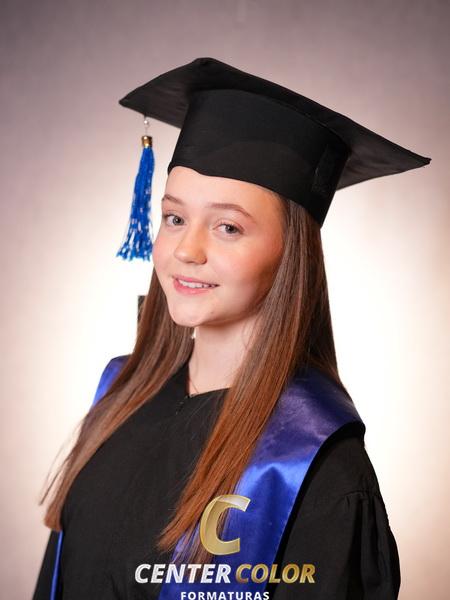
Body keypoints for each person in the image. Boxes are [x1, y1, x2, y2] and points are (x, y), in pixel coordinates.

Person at [32, 57, 431, 600]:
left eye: (227, 227)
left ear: (289, 254)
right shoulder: (119, 399)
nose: (187, 250)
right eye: (175, 218)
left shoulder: (312, 464)